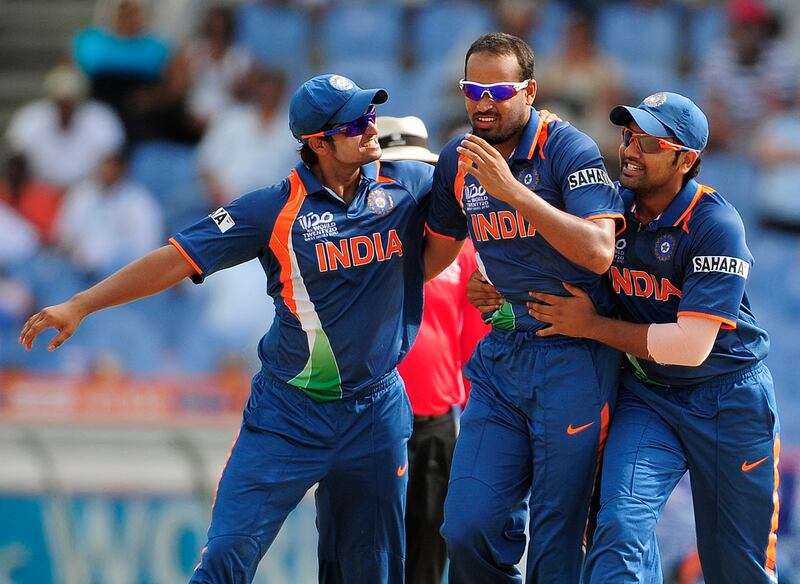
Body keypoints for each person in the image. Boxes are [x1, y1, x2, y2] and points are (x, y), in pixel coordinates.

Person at [20, 74, 437, 584]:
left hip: (374, 412)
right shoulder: (271, 208)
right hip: (290, 415)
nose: (371, 127)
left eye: (370, 114)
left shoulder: (407, 183)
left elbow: (474, 218)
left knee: (371, 572)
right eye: (355, 121)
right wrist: (81, 304)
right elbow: (174, 260)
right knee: (224, 560)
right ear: (318, 142)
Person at [520, 93, 779, 583]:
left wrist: (592, 326)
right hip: (650, 397)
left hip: (730, 399)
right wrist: (491, 286)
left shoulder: (715, 225)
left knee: (735, 568)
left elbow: (690, 346)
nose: (631, 149)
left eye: (648, 142)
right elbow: (540, 245)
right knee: (617, 526)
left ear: (686, 159)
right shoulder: (612, 212)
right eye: (627, 135)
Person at [423, 32, 625, 583]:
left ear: (530, 91)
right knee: (465, 525)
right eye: (472, 88)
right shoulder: (457, 160)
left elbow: (600, 252)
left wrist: (512, 191)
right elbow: (433, 258)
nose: (483, 102)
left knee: (558, 539)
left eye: (499, 89)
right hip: (503, 359)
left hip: (575, 357)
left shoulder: (569, 148)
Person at [378, 115, 490, 584]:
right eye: (392, 170)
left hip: (434, 423)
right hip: (369, 417)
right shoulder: (358, 242)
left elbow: (475, 342)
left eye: (416, 169)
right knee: (366, 550)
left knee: (426, 553)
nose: (406, 181)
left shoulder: (460, 247)